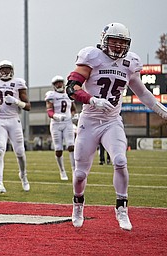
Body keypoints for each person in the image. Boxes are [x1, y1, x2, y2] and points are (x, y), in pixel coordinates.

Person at [66, 22, 167, 231]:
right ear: (104, 40)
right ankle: (78, 203)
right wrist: (92, 100)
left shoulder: (130, 63)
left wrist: (161, 110)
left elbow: (143, 93)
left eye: (122, 42)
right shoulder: (92, 57)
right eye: (114, 41)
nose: (118, 46)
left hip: (112, 121)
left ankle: (122, 208)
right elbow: (71, 88)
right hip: (90, 120)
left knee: (120, 161)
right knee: (80, 174)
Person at [0, 60, 31, 193]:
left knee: (20, 152)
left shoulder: (18, 83)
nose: (5, 72)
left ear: (12, 70)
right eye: (2, 69)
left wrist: (16, 102)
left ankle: (23, 175)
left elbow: (28, 106)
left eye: (7, 69)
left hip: (14, 119)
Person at [45, 75, 76, 181]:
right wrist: (56, 116)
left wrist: (73, 115)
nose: (59, 84)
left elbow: (73, 109)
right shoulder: (51, 95)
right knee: (58, 149)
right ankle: (62, 171)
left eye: (60, 82)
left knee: (71, 146)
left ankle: (74, 170)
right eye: (56, 83)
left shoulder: (68, 94)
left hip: (67, 122)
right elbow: (49, 111)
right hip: (56, 124)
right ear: (53, 85)